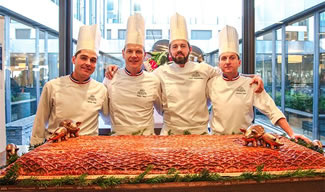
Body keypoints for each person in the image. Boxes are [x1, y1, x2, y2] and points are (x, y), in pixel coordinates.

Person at [106, 13, 263, 135]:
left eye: (182, 46)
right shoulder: (159, 72)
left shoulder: (204, 69)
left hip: (200, 133)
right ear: (170, 51)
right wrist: (114, 68)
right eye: (175, 46)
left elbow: (228, 73)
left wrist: (252, 77)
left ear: (189, 49)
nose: (179, 49)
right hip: (170, 133)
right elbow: (134, 73)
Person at [207, 25, 310, 142]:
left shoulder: (251, 84)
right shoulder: (211, 83)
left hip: (245, 140)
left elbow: (271, 109)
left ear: (239, 62)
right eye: (224, 58)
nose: (228, 62)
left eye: (232, 57)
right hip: (216, 140)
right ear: (219, 63)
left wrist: (291, 133)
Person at [30, 24, 109, 146]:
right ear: (74, 59)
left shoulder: (101, 89)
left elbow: (109, 117)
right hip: (57, 146)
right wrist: (34, 148)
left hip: (89, 150)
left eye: (92, 60)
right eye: (83, 58)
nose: (88, 63)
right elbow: (40, 122)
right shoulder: (52, 86)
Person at [102, 14, 162, 135]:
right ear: (123, 54)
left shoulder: (154, 80)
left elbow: (161, 109)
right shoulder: (110, 78)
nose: (134, 55)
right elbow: (105, 113)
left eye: (138, 51)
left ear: (145, 56)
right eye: (129, 51)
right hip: (118, 140)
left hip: (146, 140)